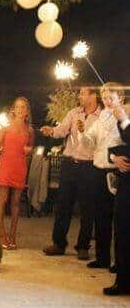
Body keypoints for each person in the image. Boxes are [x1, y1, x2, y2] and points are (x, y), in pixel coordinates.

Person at [41, 87, 101, 260]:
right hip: (69, 164)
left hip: (89, 165)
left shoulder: (102, 116)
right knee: (63, 206)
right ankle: (58, 243)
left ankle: (83, 247)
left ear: (93, 95)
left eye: (83, 93)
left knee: (87, 208)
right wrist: (51, 130)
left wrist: (85, 131)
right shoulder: (74, 112)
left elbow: (100, 142)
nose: (79, 96)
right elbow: (62, 129)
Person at [80, 83, 125, 271]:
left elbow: (123, 143)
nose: (106, 101)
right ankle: (102, 257)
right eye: (104, 97)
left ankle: (120, 261)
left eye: (110, 97)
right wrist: (83, 130)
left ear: (120, 98)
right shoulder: (102, 117)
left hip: (116, 171)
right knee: (100, 216)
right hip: (98, 169)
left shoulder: (123, 116)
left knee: (119, 220)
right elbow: (91, 140)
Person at [0, 97, 34, 250]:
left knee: (16, 202)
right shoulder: (5, 128)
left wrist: (29, 150)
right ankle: (1, 233)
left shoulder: (29, 130)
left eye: (23, 107)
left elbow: (30, 149)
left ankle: (12, 236)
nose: (20, 109)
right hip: (6, 165)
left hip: (20, 166)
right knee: (2, 199)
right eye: (18, 107)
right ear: (13, 110)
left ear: (27, 111)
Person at [105, 96, 130, 296]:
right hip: (126, 184)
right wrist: (115, 157)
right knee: (121, 230)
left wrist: (124, 118)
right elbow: (112, 148)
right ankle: (122, 281)